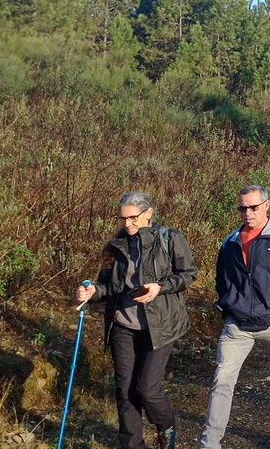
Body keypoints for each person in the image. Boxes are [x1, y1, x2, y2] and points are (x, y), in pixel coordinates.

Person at [76, 192, 196, 449]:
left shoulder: (170, 238)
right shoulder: (117, 245)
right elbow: (108, 287)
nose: (127, 224)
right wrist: (92, 292)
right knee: (124, 391)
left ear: (148, 213)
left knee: (147, 389)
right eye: (123, 218)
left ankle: (165, 426)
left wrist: (160, 287)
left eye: (133, 218)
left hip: (160, 326)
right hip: (123, 325)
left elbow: (188, 275)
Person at [200, 186, 270, 449]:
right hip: (237, 325)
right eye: (243, 208)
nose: (247, 212)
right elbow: (221, 280)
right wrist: (226, 308)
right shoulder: (230, 241)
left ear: (266, 205)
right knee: (222, 381)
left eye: (253, 207)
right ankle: (210, 444)